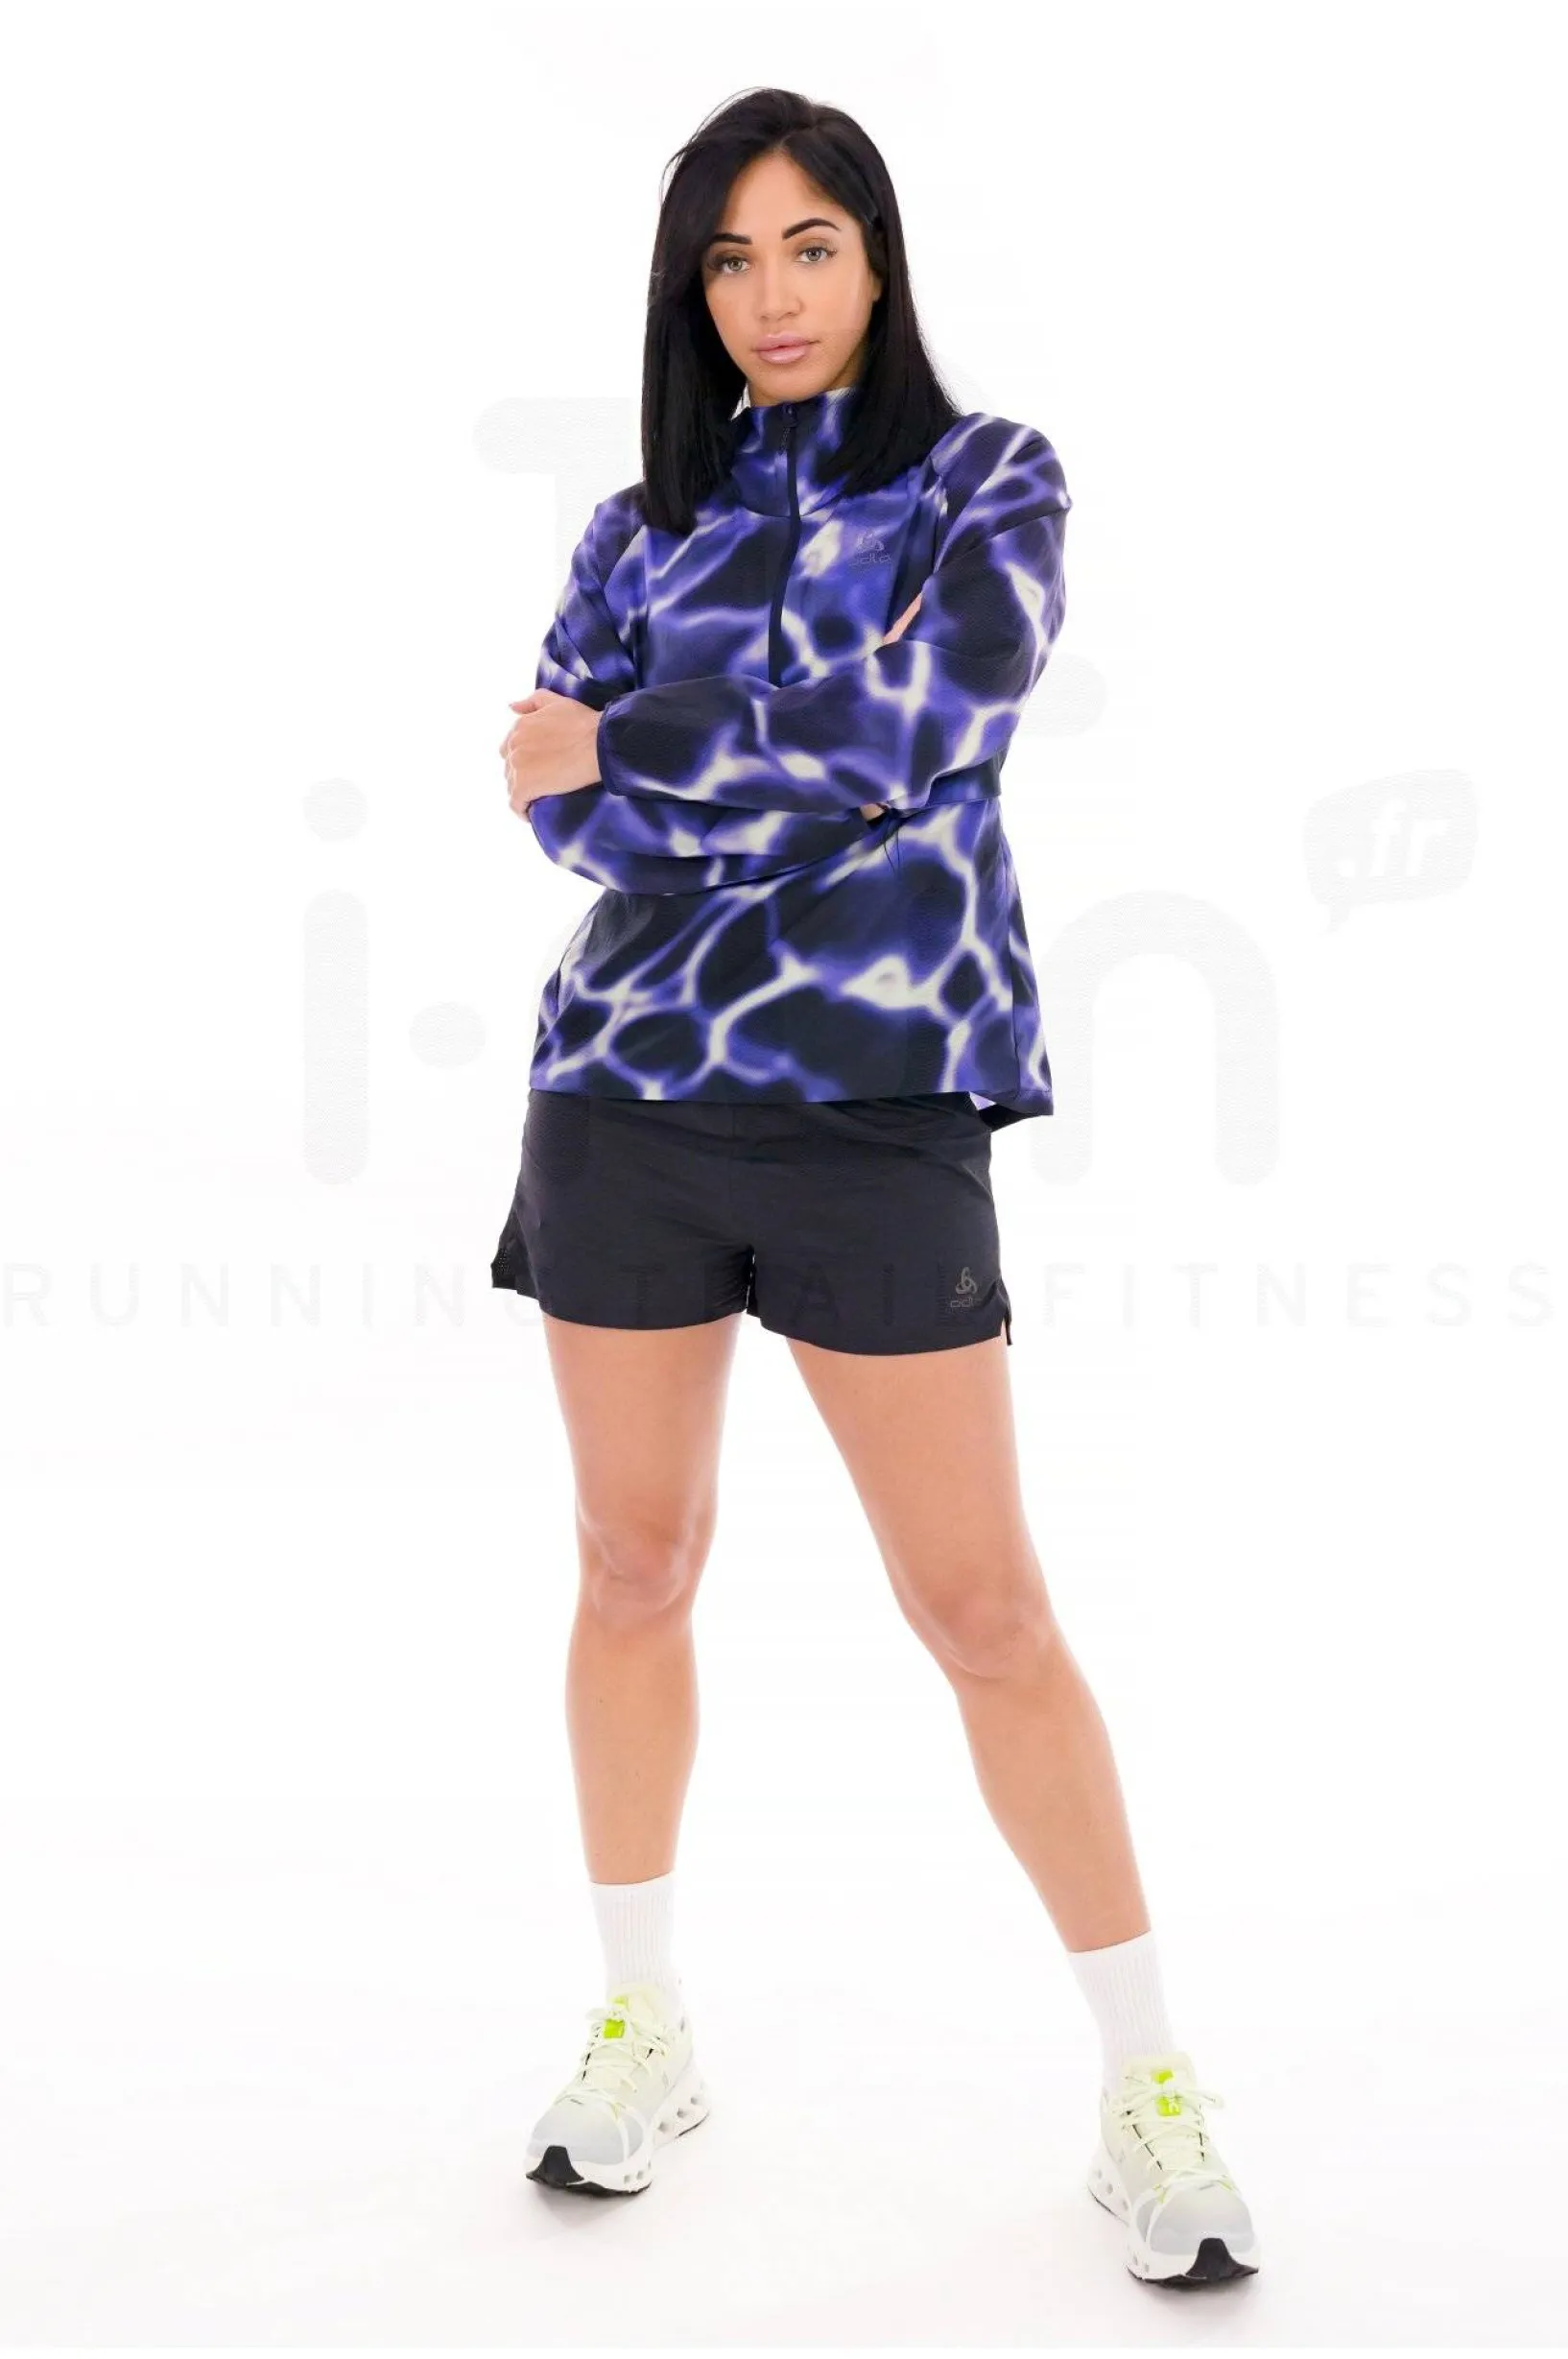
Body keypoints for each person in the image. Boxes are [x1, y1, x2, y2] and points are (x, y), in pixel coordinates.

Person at [492, 87, 1261, 2286]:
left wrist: (649, 751)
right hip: (627, 1089)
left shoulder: (985, 477)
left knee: (983, 1608)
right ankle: (640, 2021)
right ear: (692, 292)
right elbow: (552, 802)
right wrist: (723, 777)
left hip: (882, 1095)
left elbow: (929, 722)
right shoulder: (636, 526)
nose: (772, 294)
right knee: (631, 1563)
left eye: (808, 246)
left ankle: (1146, 2083)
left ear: (878, 257)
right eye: (730, 259)